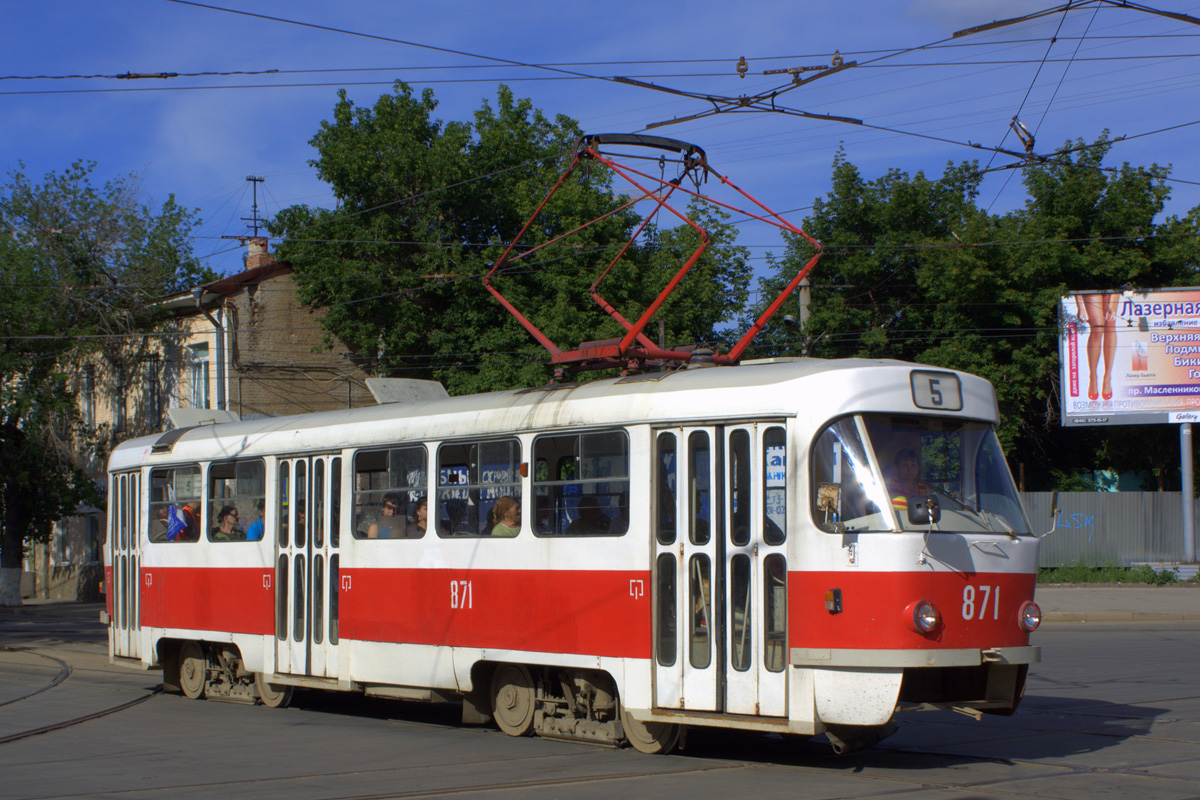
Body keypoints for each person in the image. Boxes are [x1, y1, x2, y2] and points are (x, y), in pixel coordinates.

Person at [1075, 292, 1120, 401]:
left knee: (1110, 325)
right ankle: (1093, 377)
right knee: (1097, 328)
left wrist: (1112, 302)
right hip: (1090, 283)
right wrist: (1080, 305)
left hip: (1111, 283)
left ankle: (1107, 377)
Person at [886, 448, 931, 516]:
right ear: (898, 467)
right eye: (905, 465)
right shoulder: (888, 484)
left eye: (913, 465)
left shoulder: (926, 490)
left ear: (918, 468)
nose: (909, 469)